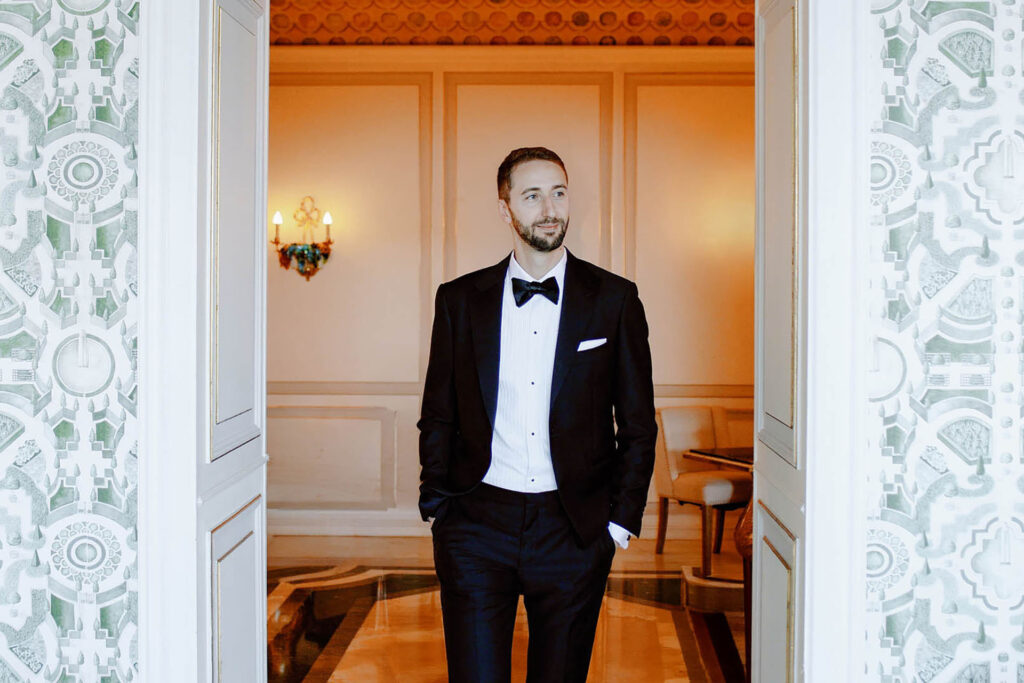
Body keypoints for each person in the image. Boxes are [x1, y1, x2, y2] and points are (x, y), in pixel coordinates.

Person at [417, 146, 657, 682]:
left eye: (559, 192)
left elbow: (638, 424)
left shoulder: (615, 300)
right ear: (506, 209)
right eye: (532, 195)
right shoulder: (459, 300)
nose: (549, 208)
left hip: (573, 530)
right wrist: (439, 504)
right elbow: (438, 412)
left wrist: (617, 524)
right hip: (476, 525)